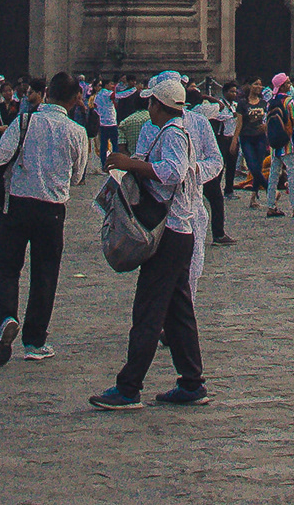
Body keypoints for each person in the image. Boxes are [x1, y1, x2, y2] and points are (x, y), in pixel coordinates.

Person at [92, 71, 218, 414]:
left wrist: (131, 164)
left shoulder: (173, 133)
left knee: (148, 310)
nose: (148, 107)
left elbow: (174, 172)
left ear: (159, 106)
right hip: (179, 233)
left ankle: (129, 387)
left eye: (151, 103)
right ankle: (191, 382)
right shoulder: (167, 130)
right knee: (178, 312)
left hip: (170, 233)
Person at [0, 73, 86, 365]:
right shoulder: (77, 131)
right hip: (52, 210)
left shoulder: (24, 122)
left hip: (17, 204)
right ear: (74, 99)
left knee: (6, 267)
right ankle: (34, 341)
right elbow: (78, 176)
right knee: (45, 274)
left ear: (47, 93)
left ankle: (7, 316)